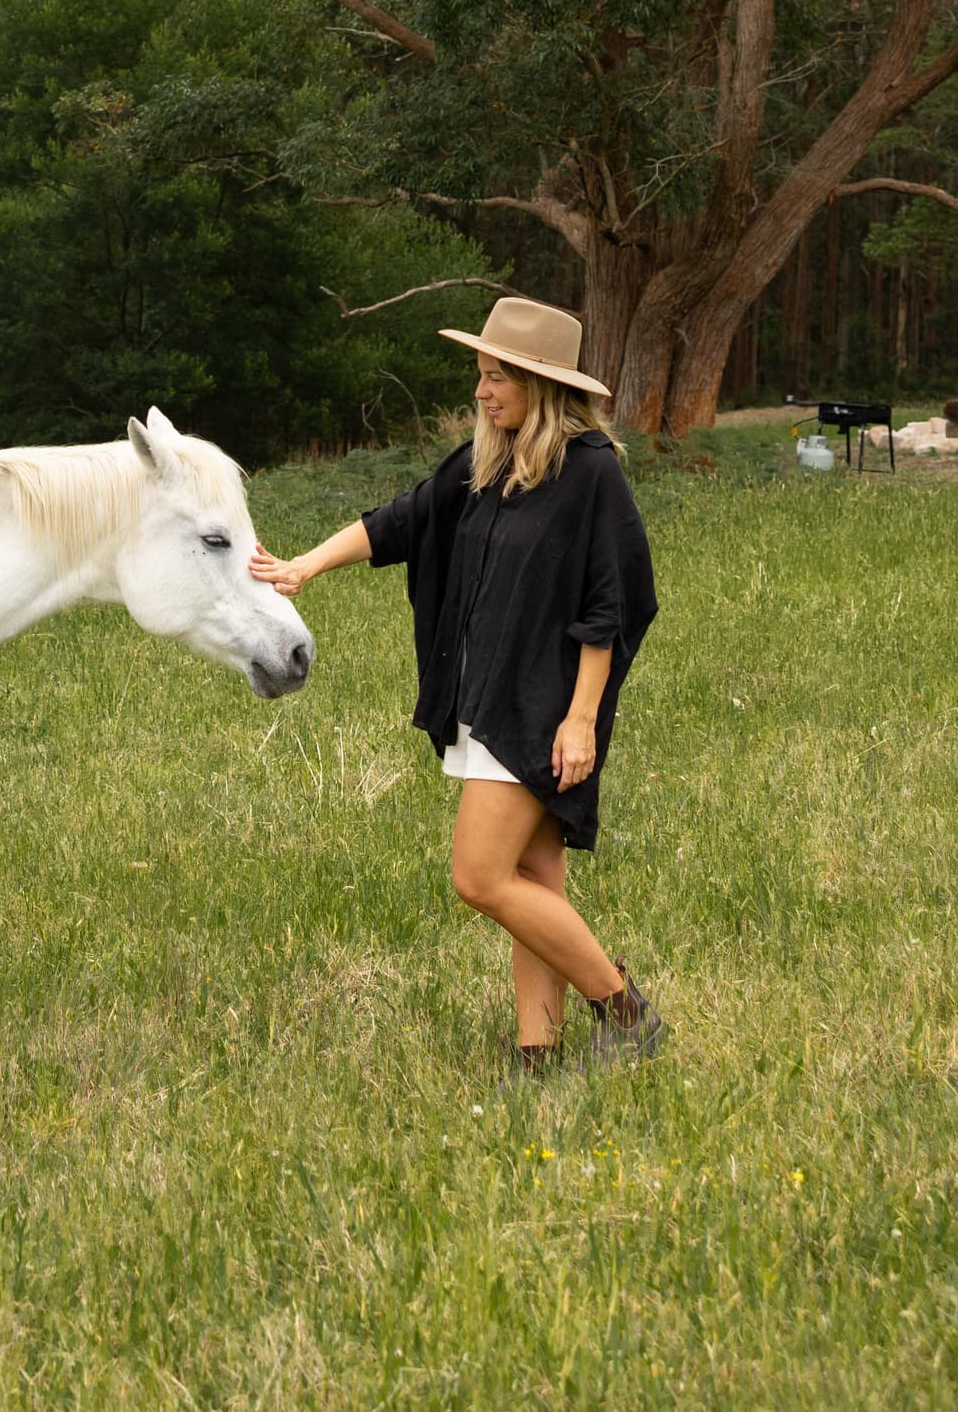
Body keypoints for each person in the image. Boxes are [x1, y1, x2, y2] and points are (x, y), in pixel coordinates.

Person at [253, 295, 663, 1075]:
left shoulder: (591, 473)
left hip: (538, 709)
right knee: (533, 880)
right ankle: (536, 1056)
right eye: (480, 375)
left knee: (478, 876)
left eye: (494, 377)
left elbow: (608, 606)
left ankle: (628, 1012)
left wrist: (581, 720)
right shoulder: (488, 463)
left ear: (539, 384)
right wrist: (305, 564)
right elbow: (403, 520)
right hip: (486, 699)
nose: (480, 392)